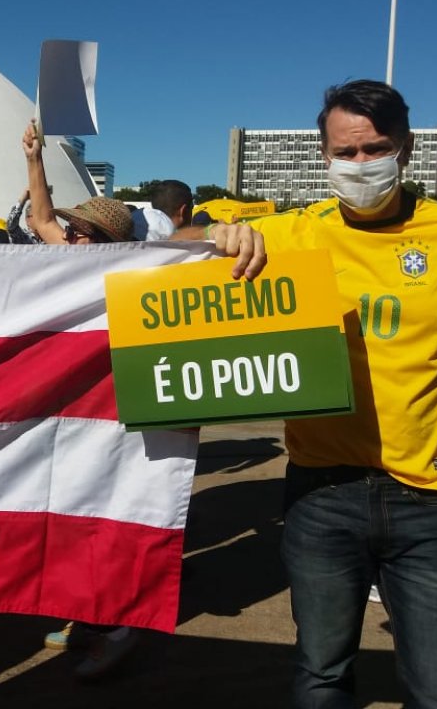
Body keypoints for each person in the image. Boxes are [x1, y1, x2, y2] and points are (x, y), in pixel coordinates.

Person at [175, 80, 437, 708]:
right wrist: (218, 235)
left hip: (431, 498)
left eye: (375, 149)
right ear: (325, 156)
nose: (361, 164)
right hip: (322, 493)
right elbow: (161, 252)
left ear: (406, 149)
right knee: (321, 673)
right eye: (345, 152)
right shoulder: (294, 232)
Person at [23, 121, 262, 679]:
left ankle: (117, 625)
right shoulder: (69, 268)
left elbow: (196, 255)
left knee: (117, 520)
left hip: (128, 422)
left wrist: (226, 232)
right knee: (74, 519)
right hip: (78, 421)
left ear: (107, 242)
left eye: (82, 232)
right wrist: (35, 160)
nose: (70, 237)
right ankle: (90, 613)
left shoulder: (144, 279)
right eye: (72, 230)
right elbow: (41, 220)